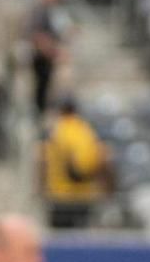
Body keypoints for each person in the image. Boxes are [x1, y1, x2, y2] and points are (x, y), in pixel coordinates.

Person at [43, 98, 113, 230]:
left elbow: (44, 160)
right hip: (84, 196)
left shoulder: (57, 130)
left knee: (60, 241)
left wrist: (41, 186)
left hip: (60, 195)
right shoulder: (86, 131)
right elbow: (102, 159)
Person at [26, 0, 72, 119]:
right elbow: (37, 37)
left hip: (50, 65)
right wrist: (56, 52)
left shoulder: (54, 10)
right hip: (42, 64)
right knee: (41, 101)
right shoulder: (39, 10)